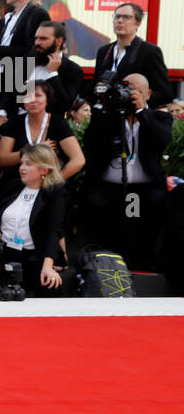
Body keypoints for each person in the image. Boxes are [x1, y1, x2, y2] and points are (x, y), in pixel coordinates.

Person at [79, 72, 173, 269]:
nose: (130, 94)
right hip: (107, 188)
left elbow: (162, 139)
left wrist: (141, 112)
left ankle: (135, 270)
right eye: (127, 89)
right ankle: (103, 270)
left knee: (133, 228)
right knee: (104, 231)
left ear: (148, 93)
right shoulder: (109, 116)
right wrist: (105, 107)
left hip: (138, 191)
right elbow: (90, 143)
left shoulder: (158, 116)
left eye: (136, 91)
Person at [0, 143, 70, 297]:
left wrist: (48, 265)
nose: (22, 167)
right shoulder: (12, 185)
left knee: (50, 283)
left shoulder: (55, 194)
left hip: (33, 255)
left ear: (44, 169)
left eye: (28, 164)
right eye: (22, 163)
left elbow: (54, 230)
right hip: (4, 251)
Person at [0, 80, 85, 186]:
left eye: (38, 95)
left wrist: (54, 180)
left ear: (47, 100)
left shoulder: (58, 123)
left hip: (49, 184)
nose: (32, 100)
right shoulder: (14, 123)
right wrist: (36, 149)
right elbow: (3, 159)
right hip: (18, 181)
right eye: (28, 96)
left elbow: (78, 160)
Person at [91, 3, 172, 107]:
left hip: (133, 118)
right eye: (117, 16)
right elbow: (94, 85)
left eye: (126, 17)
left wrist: (135, 99)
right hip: (105, 116)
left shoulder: (149, 51)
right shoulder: (104, 51)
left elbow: (165, 93)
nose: (120, 20)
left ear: (137, 23)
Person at [26, 20, 85, 116]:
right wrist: (2, 113)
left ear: (58, 41)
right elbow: (11, 94)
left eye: (43, 39)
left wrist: (53, 74)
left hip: (51, 125)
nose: (37, 42)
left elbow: (65, 105)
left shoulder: (73, 70)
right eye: (36, 38)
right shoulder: (26, 60)